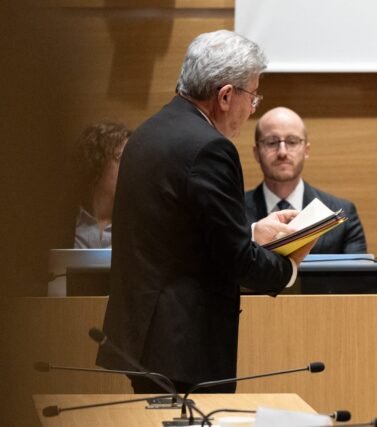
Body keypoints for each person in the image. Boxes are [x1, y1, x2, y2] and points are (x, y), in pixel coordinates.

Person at [97, 30, 315, 394]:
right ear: (226, 96)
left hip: (144, 338)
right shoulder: (210, 148)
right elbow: (236, 261)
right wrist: (289, 265)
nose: (252, 108)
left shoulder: (148, 133)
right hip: (184, 345)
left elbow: (177, 234)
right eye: (252, 96)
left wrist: (251, 232)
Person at [245, 106, 367, 254]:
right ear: (256, 152)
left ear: (306, 151)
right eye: (271, 142)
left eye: (292, 142)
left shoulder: (342, 213)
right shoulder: (233, 211)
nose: (282, 152)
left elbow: (358, 269)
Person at [72, 121, 131, 248]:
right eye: (122, 158)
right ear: (97, 161)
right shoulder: (61, 222)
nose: (131, 167)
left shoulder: (139, 226)